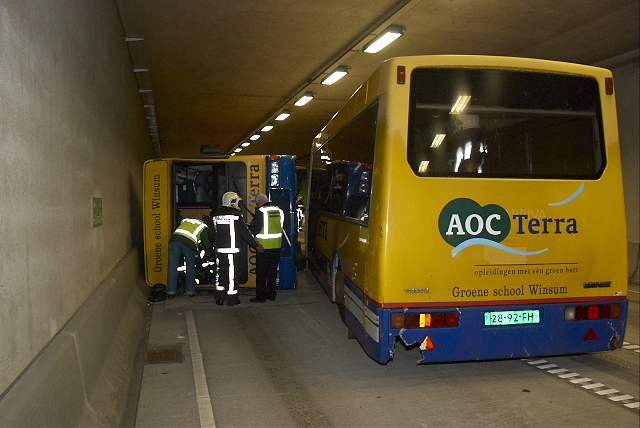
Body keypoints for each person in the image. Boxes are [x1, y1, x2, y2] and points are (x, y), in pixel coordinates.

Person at [212, 191, 263, 306]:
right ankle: (232, 299)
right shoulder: (235, 216)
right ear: (232, 202)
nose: (238, 205)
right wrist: (256, 245)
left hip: (219, 251)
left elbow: (212, 233)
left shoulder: (216, 215)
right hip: (232, 251)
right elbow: (245, 234)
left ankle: (219, 298)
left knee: (220, 274)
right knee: (232, 275)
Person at [249, 193, 285, 303]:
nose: (257, 205)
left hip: (264, 247)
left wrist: (250, 226)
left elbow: (255, 229)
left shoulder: (261, 212)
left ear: (260, 202)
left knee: (261, 273)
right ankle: (271, 294)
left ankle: (261, 296)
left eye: (257, 203)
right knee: (272, 271)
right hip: (277, 245)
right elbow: (281, 226)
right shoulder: (279, 211)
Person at [166, 217, 214, 298]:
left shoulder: (187, 220)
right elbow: (206, 244)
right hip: (189, 243)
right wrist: (209, 254)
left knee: (172, 266)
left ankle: (170, 291)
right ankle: (190, 291)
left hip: (174, 240)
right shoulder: (203, 227)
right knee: (190, 266)